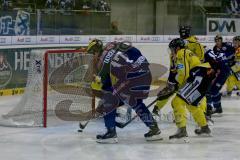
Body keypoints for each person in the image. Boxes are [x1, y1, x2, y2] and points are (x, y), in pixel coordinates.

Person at [87, 39, 162, 143]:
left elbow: (106, 87)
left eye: (92, 55)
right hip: (146, 73)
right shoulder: (113, 45)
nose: (92, 59)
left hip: (133, 77)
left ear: (95, 52)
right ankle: (154, 129)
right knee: (135, 102)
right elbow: (134, 51)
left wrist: (96, 85)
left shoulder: (103, 64)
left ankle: (111, 133)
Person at [153, 25, 205, 117]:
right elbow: (174, 68)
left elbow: (199, 62)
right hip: (182, 76)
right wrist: (172, 81)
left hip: (191, 76)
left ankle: (201, 114)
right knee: (170, 93)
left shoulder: (193, 45)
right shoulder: (176, 52)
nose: (183, 33)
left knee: (190, 97)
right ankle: (157, 109)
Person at [167, 38, 213, 141]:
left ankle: (182, 130)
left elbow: (184, 73)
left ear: (177, 48)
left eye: (172, 49)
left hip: (197, 78)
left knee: (176, 101)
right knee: (191, 104)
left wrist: (177, 86)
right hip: (204, 78)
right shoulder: (188, 52)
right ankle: (204, 128)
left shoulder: (180, 53)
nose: (171, 51)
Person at [206, 35, 235, 115]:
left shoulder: (227, 46)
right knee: (211, 89)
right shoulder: (215, 48)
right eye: (216, 41)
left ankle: (217, 107)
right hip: (218, 71)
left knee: (214, 90)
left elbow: (234, 53)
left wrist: (226, 58)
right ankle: (213, 107)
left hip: (225, 71)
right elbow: (215, 60)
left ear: (221, 40)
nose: (217, 42)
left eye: (218, 40)